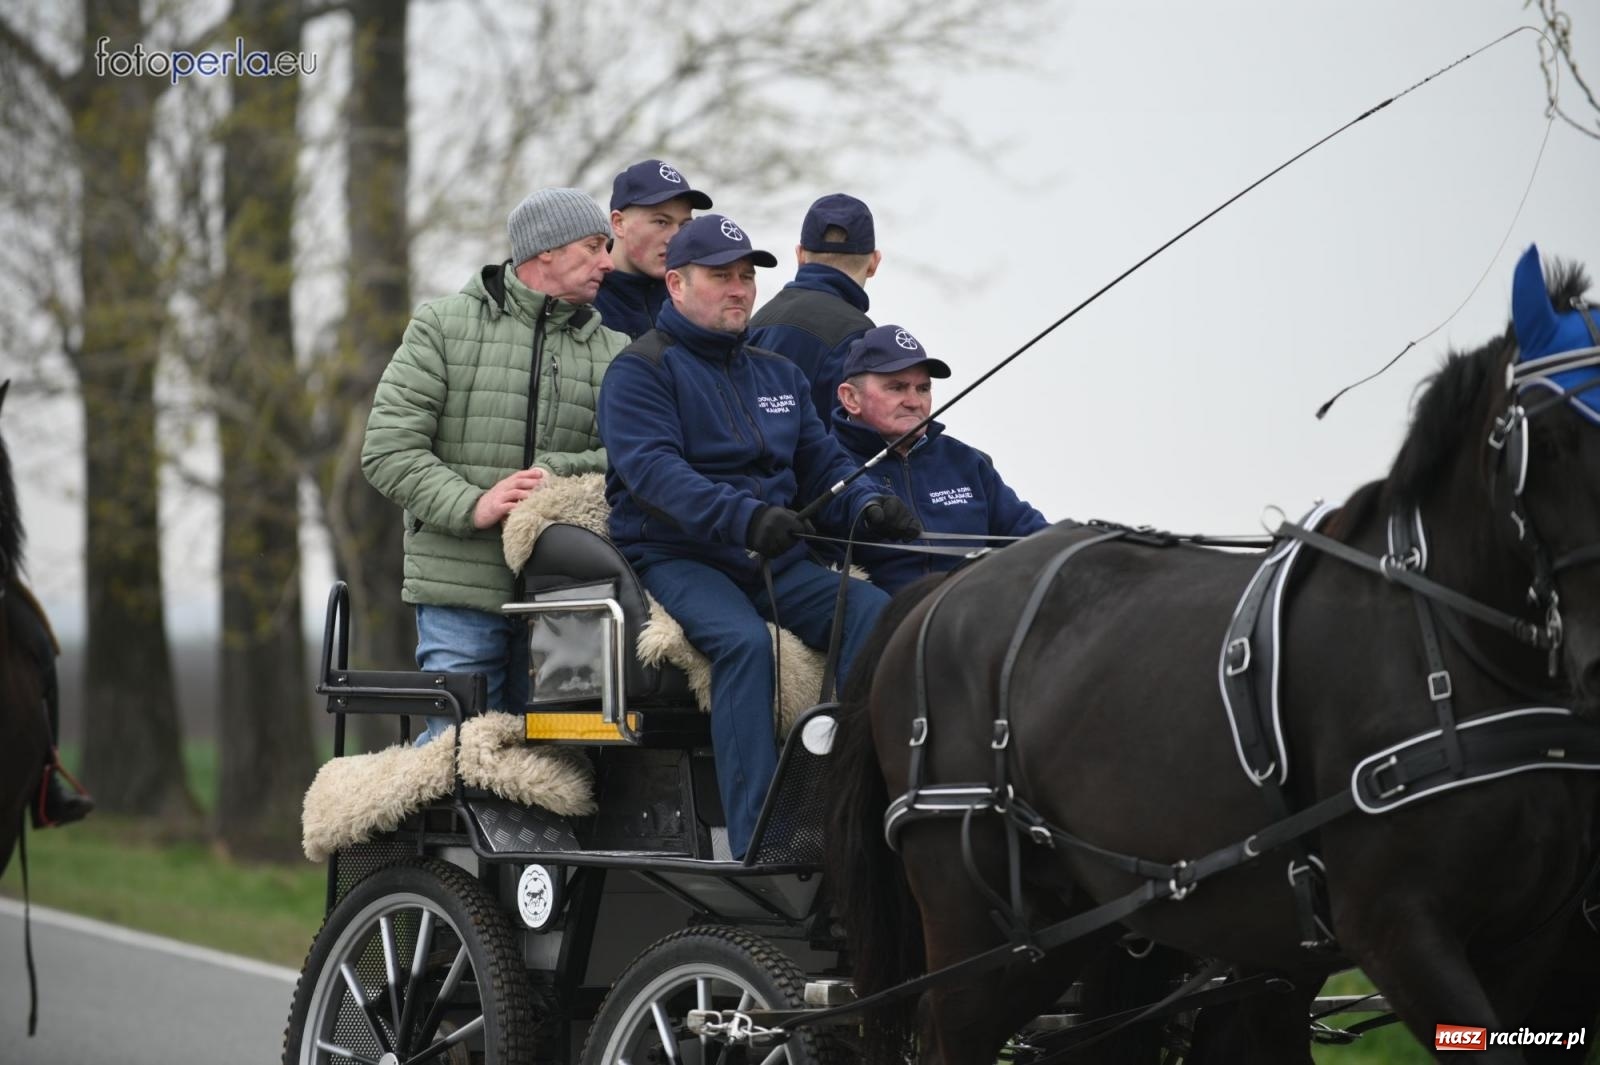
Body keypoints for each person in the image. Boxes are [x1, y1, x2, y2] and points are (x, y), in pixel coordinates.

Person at [598, 214, 920, 858]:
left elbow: (824, 466)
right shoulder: (640, 371)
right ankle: (759, 838)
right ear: (677, 284)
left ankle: (848, 801)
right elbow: (657, 476)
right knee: (746, 647)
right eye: (722, 277)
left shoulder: (780, 375)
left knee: (873, 612)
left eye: (746, 277)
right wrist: (746, 519)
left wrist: (869, 505)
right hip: (678, 554)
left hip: (776, 556)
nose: (739, 289)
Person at [363, 187, 627, 741]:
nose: (608, 261)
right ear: (546, 251)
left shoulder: (616, 351)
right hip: (461, 592)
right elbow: (388, 449)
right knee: (458, 757)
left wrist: (560, 469)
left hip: (571, 601)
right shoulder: (441, 325)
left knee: (562, 764)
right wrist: (472, 504)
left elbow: (629, 459)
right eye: (594, 246)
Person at [831, 324, 1050, 594]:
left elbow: (1029, 532)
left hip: (979, 611)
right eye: (897, 387)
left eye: (923, 389)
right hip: (883, 622)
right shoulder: (823, 462)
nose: (914, 401)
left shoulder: (965, 461)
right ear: (851, 398)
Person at [747, 193, 880, 418]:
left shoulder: (756, 321)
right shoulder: (860, 336)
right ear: (874, 263)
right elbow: (855, 437)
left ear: (799, 255)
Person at [592, 159, 713, 339]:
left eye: (684, 225)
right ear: (619, 223)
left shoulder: (696, 302)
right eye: (661, 222)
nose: (675, 238)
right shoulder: (580, 299)